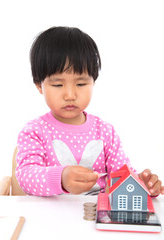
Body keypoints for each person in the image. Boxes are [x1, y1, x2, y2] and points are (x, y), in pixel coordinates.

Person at [16, 26, 164, 197]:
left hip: (94, 219)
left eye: (81, 84)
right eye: (58, 85)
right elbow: (26, 177)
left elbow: (122, 177)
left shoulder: (105, 132)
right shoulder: (34, 131)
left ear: (93, 82)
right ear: (39, 85)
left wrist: (142, 185)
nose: (70, 95)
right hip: (48, 220)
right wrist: (61, 178)